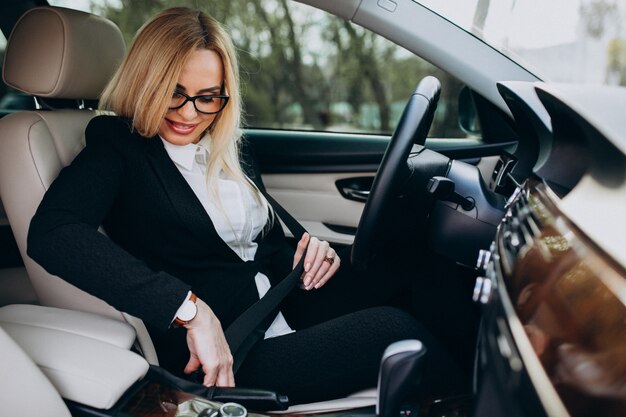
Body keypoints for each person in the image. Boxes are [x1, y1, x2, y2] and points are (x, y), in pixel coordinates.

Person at [27, 7, 460, 404]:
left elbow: (252, 244)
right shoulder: (119, 148)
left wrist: (306, 252)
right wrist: (189, 311)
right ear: (146, 81)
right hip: (226, 348)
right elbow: (53, 232)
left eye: (208, 97)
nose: (190, 113)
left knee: (427, 273)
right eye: (173, 93)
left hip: (278, 299)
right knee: (394, 332)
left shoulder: (226, 145)